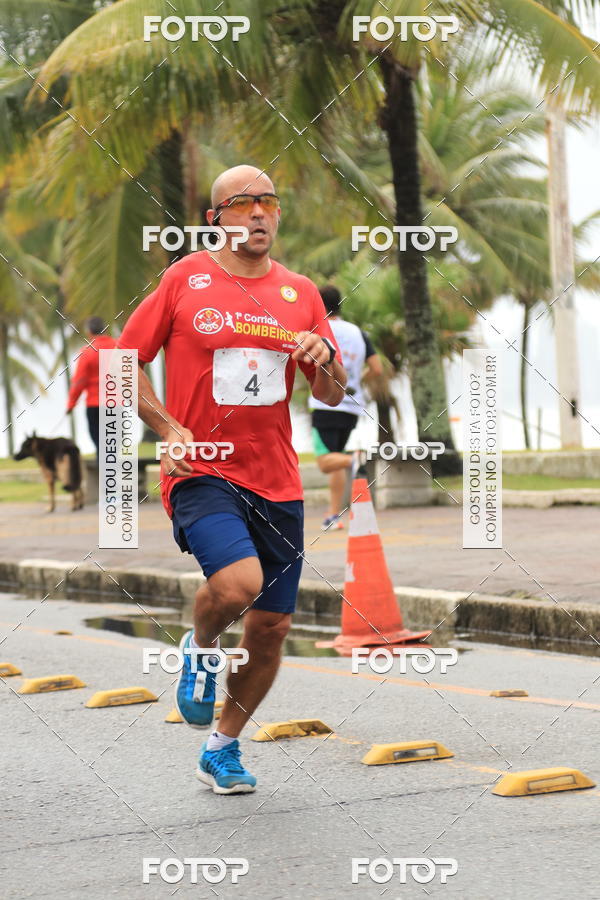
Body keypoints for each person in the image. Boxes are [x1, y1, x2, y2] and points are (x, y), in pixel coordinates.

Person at [117, 164, 347, 794]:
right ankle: (199, 645)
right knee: (238, 583)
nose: (259, 214)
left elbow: (331, 395)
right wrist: (167, 428)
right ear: (216, 217)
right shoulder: (184, 278)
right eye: (244, 203)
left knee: (271, 628)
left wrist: (325, 359)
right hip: (201, 469)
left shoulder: (300, 294)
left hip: (276, 480)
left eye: (269, 202)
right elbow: (126, 362)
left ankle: (222, 747)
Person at [309, 285, 382, 530]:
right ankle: (333, 515)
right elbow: (378, 368)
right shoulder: (358, 332)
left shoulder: (319, 330)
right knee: (335, 459)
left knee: (325, 461)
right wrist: (357, 378)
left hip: (324, 403)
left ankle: (355, 458)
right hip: (351, 405)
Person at [66, 317, 116, 457]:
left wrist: (71, 404)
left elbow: (79, 381)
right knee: (113, 445)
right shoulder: (119, 347)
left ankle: (105, 475)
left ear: (89, 332)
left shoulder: (87, 351)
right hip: (116, 404)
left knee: (101, 445)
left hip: (95, 405)